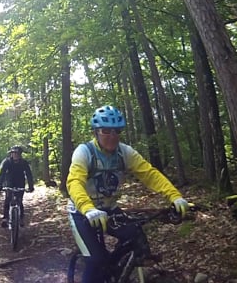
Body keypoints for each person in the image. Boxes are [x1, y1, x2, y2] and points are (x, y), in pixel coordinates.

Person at [67, 105, 189, 283]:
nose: (112, 136)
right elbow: (74, 181)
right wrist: (87, 207)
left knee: (136, 238)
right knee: (96, 260)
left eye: (117, 131)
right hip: (81, 212)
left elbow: (149, 174)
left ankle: (117, 271)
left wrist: (175, 196)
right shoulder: (85, 152)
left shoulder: (124, 152)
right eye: (106, 131)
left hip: (110, 209)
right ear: (96, 132)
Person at [0, 145, 34, 228]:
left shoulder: (24, 163)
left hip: (20, 182)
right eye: (13, 153)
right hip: (9, 182)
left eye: (17, 153)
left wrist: (31, 186)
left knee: (19, 201)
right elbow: (2, 173)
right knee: (8, 199)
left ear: (20, 154)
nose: (15, 155)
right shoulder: (7, 162)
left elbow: (29, 174)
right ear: (11, 154)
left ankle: (21, 219)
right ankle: (5, 218)